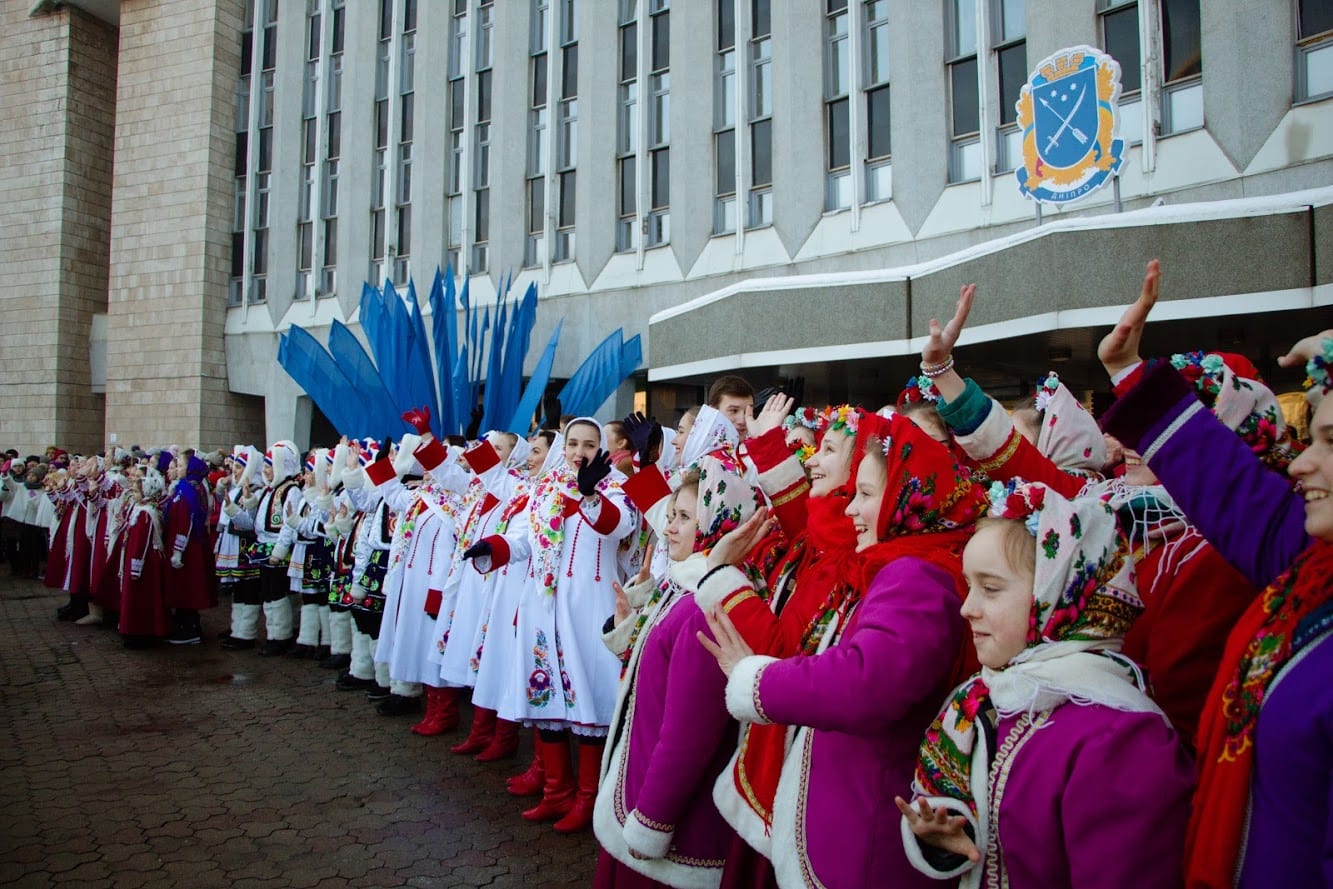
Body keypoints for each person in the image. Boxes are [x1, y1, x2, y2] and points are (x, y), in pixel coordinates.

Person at [1097, 262, 1333, 888]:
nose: (1303, 461)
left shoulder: (1263, 557)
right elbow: (1229, 493)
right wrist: (1129, 374)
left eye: (1331, 441)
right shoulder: (1311, 568)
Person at [700, 410, 986, 889]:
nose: (851, 509)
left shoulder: (916, 575)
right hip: (846, 817)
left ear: (904, 500)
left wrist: (755, 678)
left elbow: (862, 682)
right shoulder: (895, 564)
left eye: (867, 495)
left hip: (862, 837)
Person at [896, 481, 1193, 888]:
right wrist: (944, 839)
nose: (967, 608)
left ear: (1058, 595)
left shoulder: (1120, 740)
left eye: (991, 589)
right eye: (969, 586)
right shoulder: (987, 698)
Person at [594, 454, 765, 889]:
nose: (668, 527)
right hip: (642, 784)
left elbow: (689, 735)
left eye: (684, 517)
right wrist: (626, 626)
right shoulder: (685, 586)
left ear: (718, 525)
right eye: (670, 515)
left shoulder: (704, 607)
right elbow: (650, 677)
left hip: (672, 822)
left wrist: (652, 820)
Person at [465, 418, 639, 833]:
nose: (580, 451)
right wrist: (494, 546)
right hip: (543, 605)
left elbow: (620, 526)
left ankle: (587, 799)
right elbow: (525, 538)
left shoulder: (614, 488)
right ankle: (556, 793)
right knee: (547, 698)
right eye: (574, 443)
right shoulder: (544, 488)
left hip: (588, 606)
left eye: (590, 444)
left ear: (602, 449)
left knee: (588, 702)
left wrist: (590, 494)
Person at [707, 375, 756, 439]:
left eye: (748, 412)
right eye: (734, 411)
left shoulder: (762, 446)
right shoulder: (694, 446)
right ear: (712, 412)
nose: (742, 421)